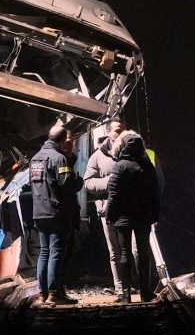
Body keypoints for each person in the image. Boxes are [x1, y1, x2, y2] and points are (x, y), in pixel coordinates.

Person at [29, 122, 84, 305]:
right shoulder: (58, 158)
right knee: (56, 252)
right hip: (57, 212)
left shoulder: (35, 159)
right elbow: (67, 184)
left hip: (39, 212)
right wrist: (79, 180)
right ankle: (55, 293)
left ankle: (42, 293)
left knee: (44, 252)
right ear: (61, 140)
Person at [105, 130, 160, 302]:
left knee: (124, 254)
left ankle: (126, 295)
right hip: (143, 216)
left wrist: (110, 215)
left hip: (123, 216)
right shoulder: (147, 165)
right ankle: (145, 292)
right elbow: (154, 192)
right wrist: (155, 214)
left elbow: (113, 194)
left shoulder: (120, 166)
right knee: (143, 253)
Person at [83, 118, 125, 293]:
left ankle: (138, 284)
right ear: (107, 132)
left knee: (133, 249)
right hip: (107, 210)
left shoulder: (131, 151)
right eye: (116, 130)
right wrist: (109, 182)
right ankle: (120, 287)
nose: (120, 133)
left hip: (128, 208)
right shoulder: (98, 156)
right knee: (115, 251)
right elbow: (88, 182)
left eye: (122, 129)